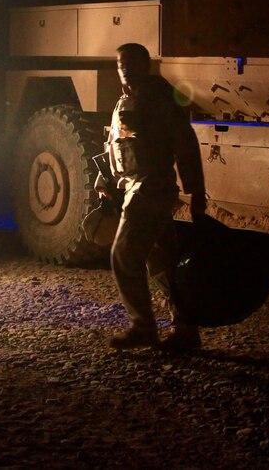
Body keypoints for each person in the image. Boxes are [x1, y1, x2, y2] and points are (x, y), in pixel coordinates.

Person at [100, 42, 205, 351]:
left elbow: (185, 143)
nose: (125, 69)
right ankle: (186, 330)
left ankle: (143, 326)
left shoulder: (158, 99)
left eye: (131, 63)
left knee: (123, 255)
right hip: (135, 186)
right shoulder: (126, 101)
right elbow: (115, 143)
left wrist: (195, 189)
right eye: (121, 64)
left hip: (151, 187)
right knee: (163, 263)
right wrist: (105, 179)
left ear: (145, 65)